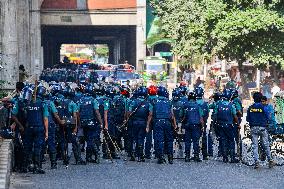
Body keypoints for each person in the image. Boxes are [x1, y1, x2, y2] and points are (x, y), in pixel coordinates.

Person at [148, 86, 177, 164]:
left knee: (159, 140)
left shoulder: (153, 101)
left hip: (157, 122)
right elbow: (172, 115)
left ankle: (160, 157)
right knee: (169, 140)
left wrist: (148, 125)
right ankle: (170, 157)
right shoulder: (169, 102)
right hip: (167, 122)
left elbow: (150, 114)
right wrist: (175, 124)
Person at [246, 92, 275, 169]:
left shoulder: (250, 107)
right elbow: (268, 116)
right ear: (261, 98)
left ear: (254, 98)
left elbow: (247, 119)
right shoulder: (264, 107)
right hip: (263, 128)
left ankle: (256, 162)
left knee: (255, 146)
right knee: (266, 144)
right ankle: (270, 160)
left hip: (253, 128)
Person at [128, 86, 152, 162]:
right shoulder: (148, 103)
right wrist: (148, 125)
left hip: (134, 122)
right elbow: (151, 114)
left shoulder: (133, 101)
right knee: (141, 138)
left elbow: (129, 112)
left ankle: (133, 154)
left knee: (134, 138)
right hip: (143, 123)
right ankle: (140, 155)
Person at [216, 89, 239, 163]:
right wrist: (238, 124)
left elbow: (215, 115)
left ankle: (225, 158)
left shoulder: (218, 104)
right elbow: (235, 116)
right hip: (229, 125)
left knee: (223, 140)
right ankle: (232, 158)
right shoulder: (231, 105)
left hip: (220, 125)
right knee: (231, 141)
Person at [182, 92, 204, 162]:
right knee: (196, 141)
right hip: (196, 126)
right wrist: (202, 126)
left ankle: (187, 156)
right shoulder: (198, 106)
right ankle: (196, 156)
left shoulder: (185, 105)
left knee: (187, 141)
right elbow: (201, 118)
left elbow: (181, 115)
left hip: (187, 125)